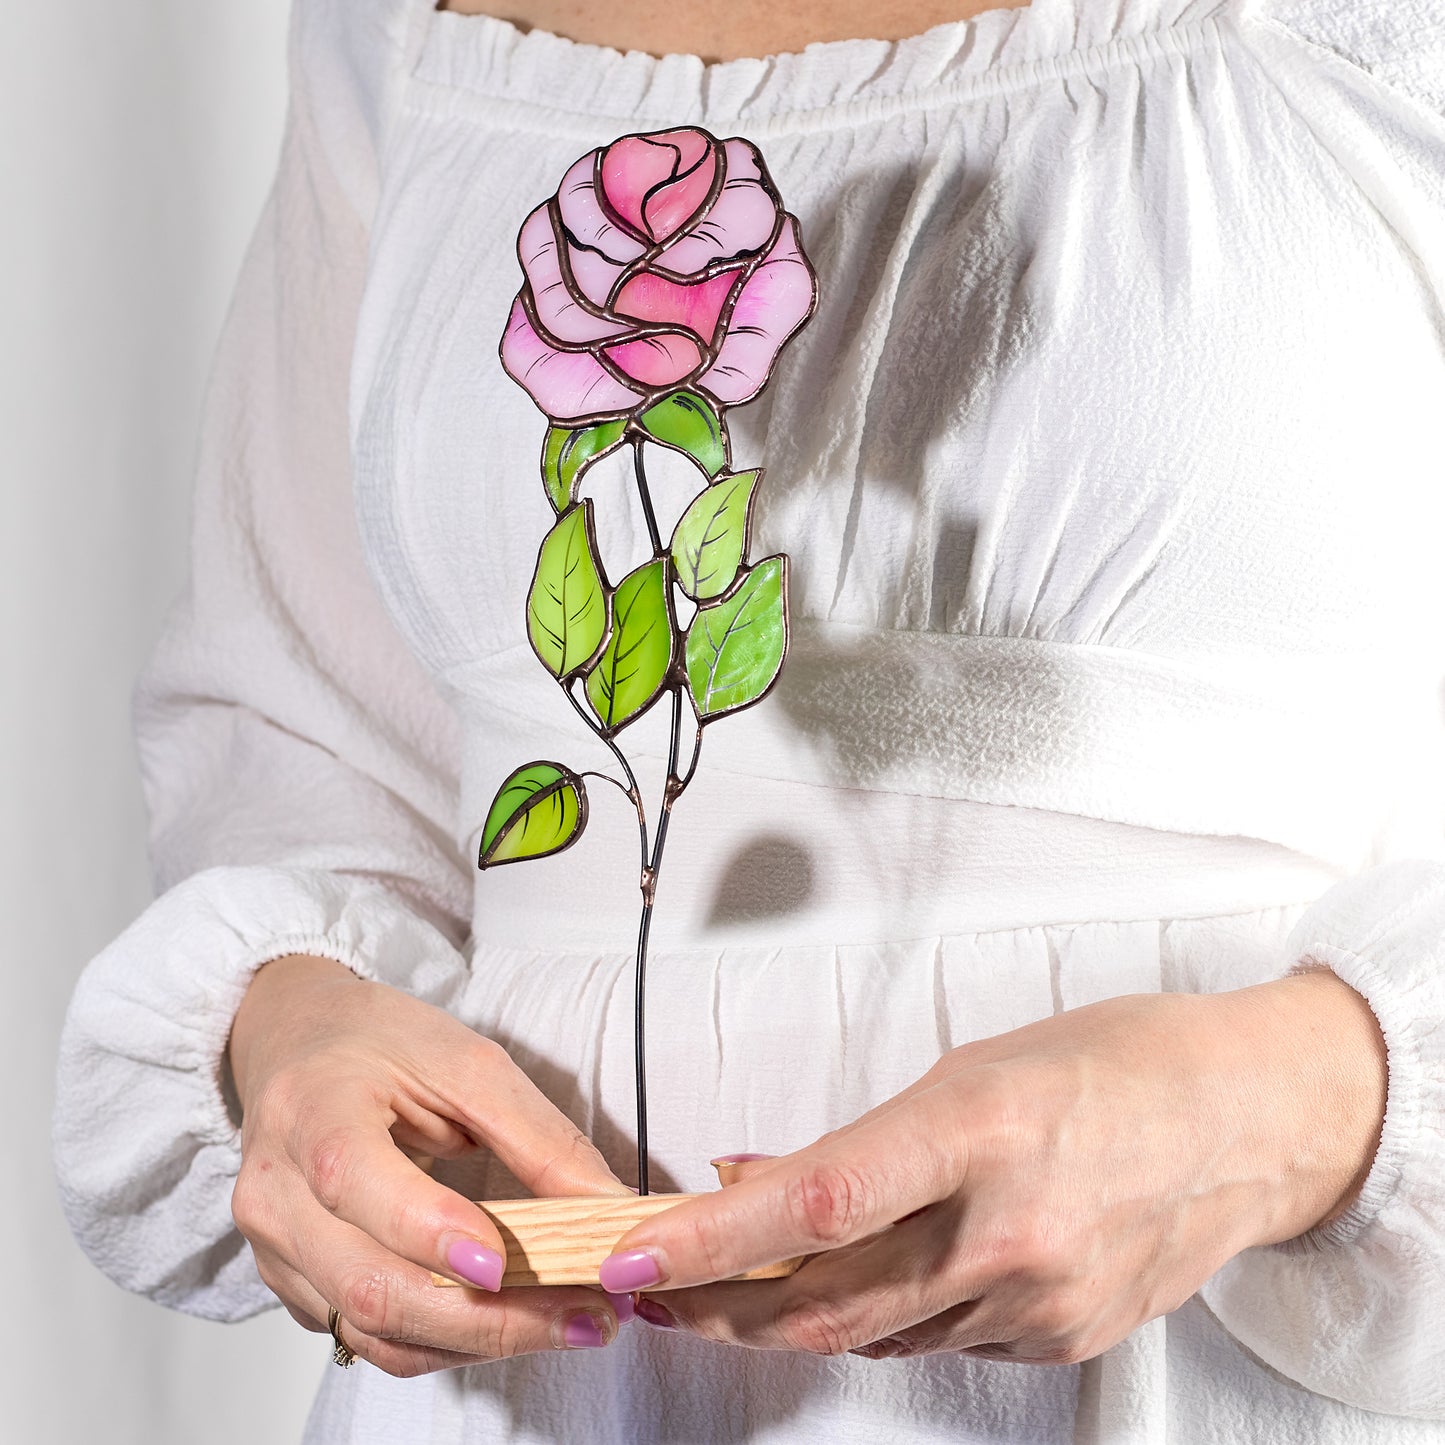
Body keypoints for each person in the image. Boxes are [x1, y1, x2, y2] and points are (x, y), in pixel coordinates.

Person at [52, 0, 1445, 1439]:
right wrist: (301, 1032)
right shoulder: (391, 32)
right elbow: (308, 733)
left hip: (1198, 1370)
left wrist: (1274, 1112)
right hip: (530, 1395)